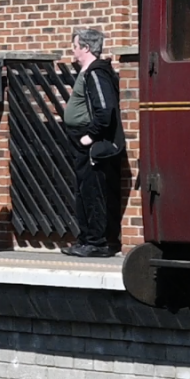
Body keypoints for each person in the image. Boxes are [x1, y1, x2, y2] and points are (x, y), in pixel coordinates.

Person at [63, 26, 126, 258]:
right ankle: (86, 239)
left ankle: (96, 242)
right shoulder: (88, 72)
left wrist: (90, 136)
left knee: (92, 191)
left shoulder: (96, 72)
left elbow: (105, 109)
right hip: (83, 141)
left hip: (91, 144)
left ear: (86, 48)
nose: (72, 50)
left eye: (75, 45)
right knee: (83, 191)